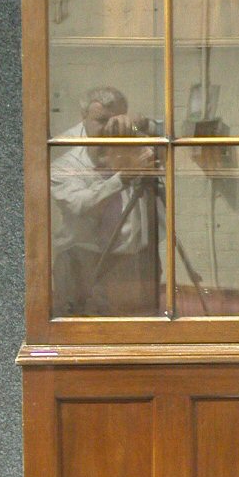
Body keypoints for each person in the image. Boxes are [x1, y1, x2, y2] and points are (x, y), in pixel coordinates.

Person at [51, 86, 162, 316]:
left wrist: (140, 123)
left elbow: (169, 137)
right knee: (80, 332)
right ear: (84, 118)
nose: (110, 129)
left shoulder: (132, 141)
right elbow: (79, 205)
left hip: (132, 261)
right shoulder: (65, 158)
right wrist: (123, 177)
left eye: (117, 120)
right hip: (82, 261)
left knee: (138, 329)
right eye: (101, 120)